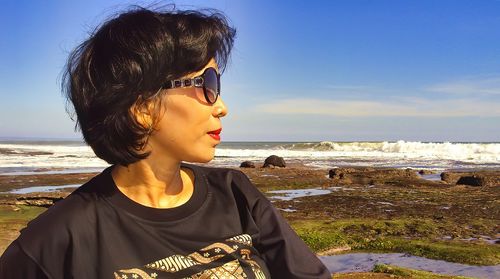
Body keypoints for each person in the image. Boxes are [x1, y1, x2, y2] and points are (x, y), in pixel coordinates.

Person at [0, 6, 331, 279]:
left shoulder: (235, 192)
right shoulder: (59, 239)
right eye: (208, 84)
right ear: (142, 107)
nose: (222, 106)